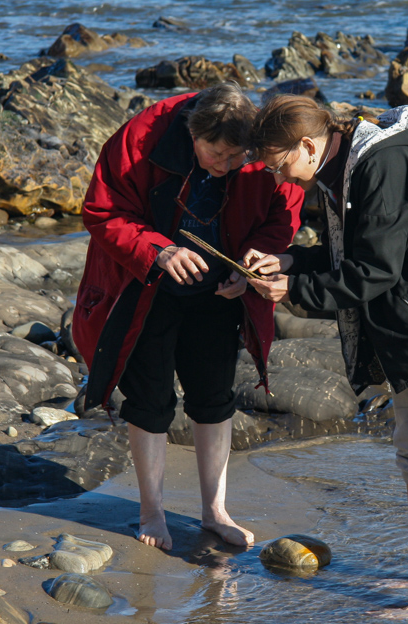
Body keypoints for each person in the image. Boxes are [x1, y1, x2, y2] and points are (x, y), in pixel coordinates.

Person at [243, 95, 408, 611]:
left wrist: (292, 291)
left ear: (307, 144)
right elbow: (355, 253)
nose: (280, 180)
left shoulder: (382, 164)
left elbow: (374, 271)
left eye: (279, 166)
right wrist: (289, 258)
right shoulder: (339, 166)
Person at [72, 83, 303, 551]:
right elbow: (102, 210)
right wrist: (158, 251)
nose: (226, 167)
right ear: (192, 133)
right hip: (145, 286)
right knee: (150, 399)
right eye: (216, 155)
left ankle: (215, 510)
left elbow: (284, 215)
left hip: (219, 290)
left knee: (215, 397)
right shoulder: (140, 138)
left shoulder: (259, 151)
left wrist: (251, 266)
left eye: (236, 158)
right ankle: (152, 511)